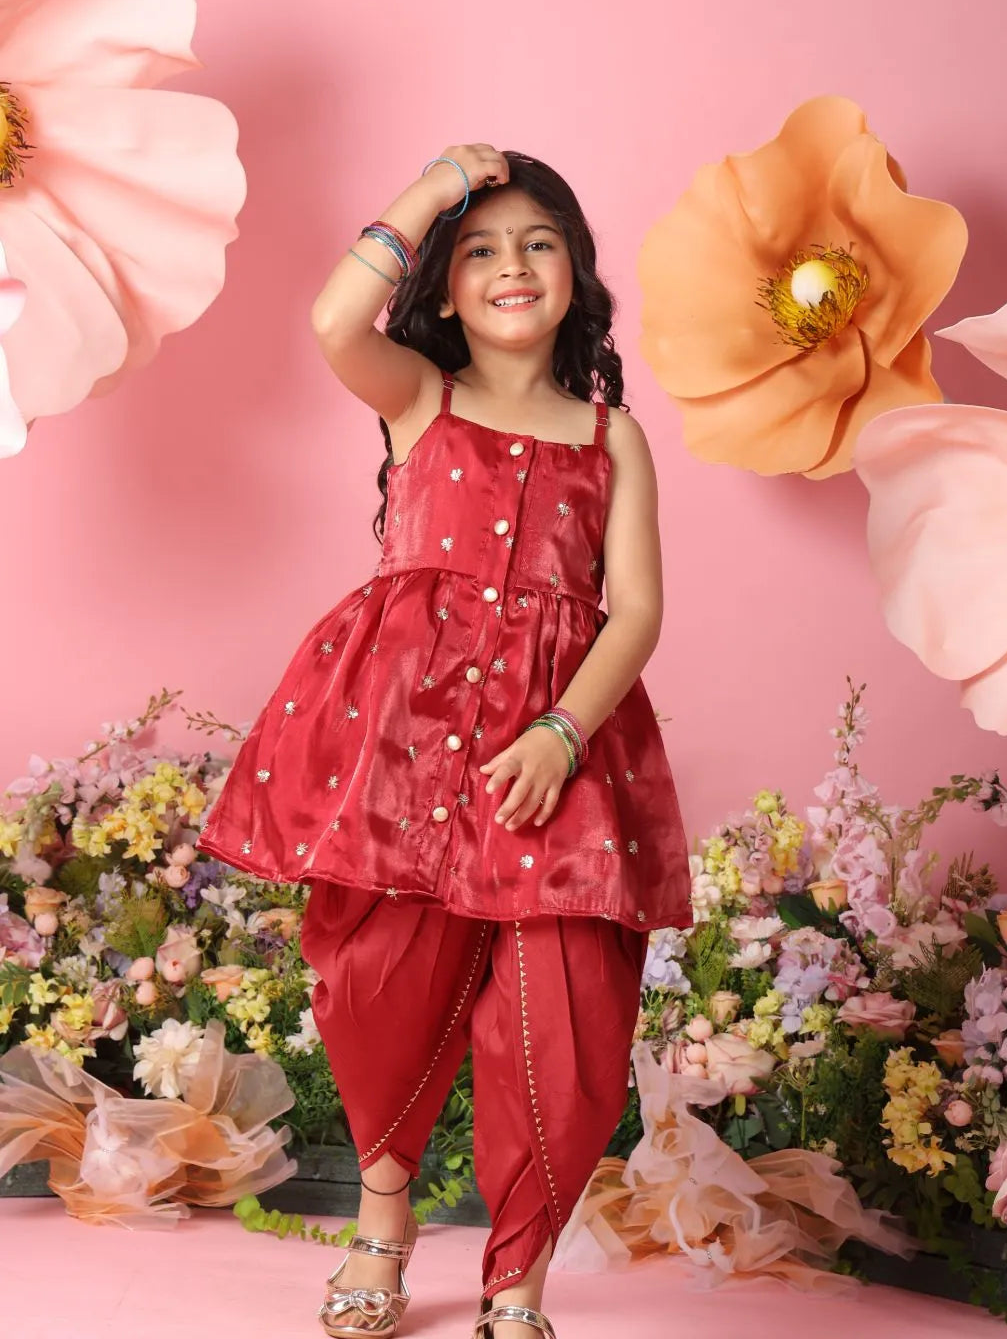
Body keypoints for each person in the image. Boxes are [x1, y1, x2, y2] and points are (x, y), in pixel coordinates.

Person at [196, 144, 691, 1339]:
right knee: (374, 984)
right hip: (403, 747)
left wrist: (564, 733)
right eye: (480, 250)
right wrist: (427, 194)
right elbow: (329, 318)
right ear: (445, 283)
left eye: (538, 243)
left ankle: (514, 1285)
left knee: (564, 1019)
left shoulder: (612, 436)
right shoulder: (419, 392)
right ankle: (384, 1219)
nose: (512, 267)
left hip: (558, 758)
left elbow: (637, 611)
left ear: (576, 268)